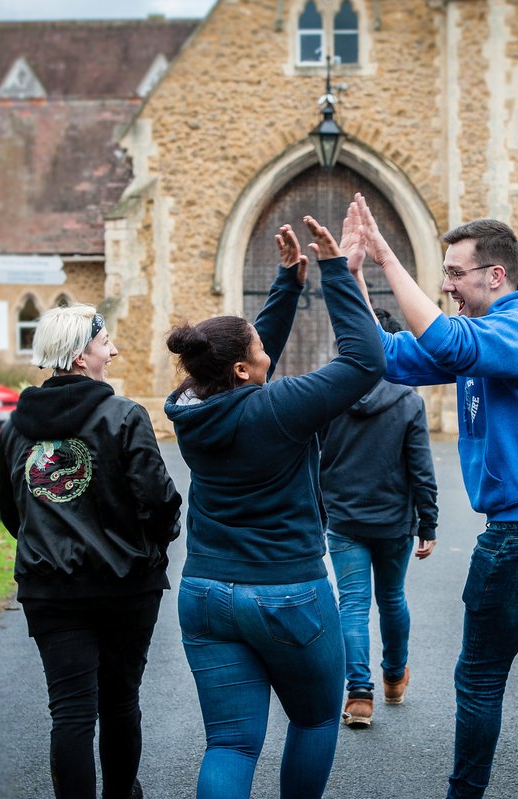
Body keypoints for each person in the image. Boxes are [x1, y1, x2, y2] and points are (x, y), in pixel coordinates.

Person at [348, 193, 518, 799]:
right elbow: (387, 357)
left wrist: (388, 257)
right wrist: (352, 277)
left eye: (455, 274)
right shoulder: (488, 332)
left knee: (481, 680)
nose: (447, 287)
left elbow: (449, 343)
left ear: (496, 274)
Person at [162, 210, 384, 799]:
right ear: (241, 369)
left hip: (207, 593)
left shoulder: (187, 405)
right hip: (288, 594)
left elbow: (243, 361)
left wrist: (287, 283)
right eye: (260, 349)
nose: (269, 353)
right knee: (313, 720)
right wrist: (335, 271)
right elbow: (366, 361)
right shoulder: (278, 407)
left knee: (230, 743)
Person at [0, 304, 183, 799]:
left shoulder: (16, 427)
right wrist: (150, 549)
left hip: (49, 589)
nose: (115, 350)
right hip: (126, 585)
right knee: (120, 702)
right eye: (106, 343)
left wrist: (48, 547)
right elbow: (159, 500)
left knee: (71, 710)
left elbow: (11, 510)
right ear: (81, 355)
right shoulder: (124, 416)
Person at [320, 307, 439, 729]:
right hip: (393, 522)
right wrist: (429, 523)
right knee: (391, 598)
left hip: (345, 519)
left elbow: (315, 462)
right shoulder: (407, 400)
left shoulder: (327, 395)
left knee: (351, 604)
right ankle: (393, 677)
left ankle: (359, 695)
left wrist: (318, 518)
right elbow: (421, 468)